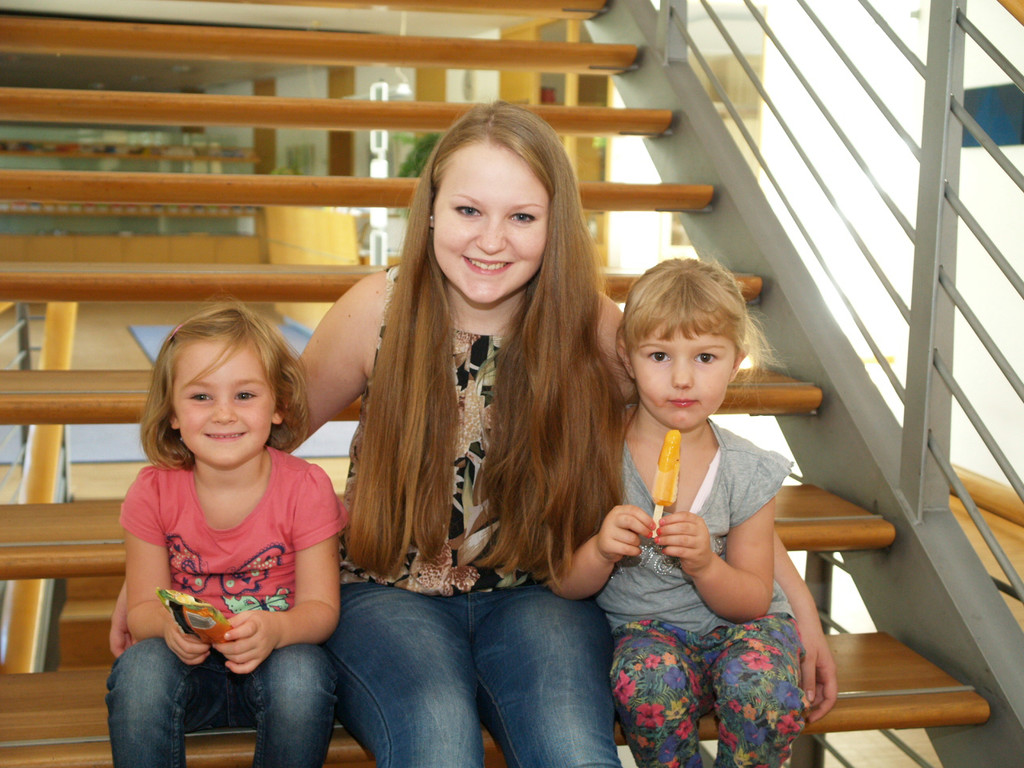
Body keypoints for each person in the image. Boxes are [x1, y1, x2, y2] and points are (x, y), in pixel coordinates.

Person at [111, 101, 835, 763]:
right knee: (437, 744)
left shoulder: (589, 323)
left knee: (573, 752)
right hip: (386, 594)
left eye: (521, 216)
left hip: (541, 593)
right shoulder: (376, 310)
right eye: (467, 210)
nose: (491, 240)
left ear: (555, 224)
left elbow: (704, 461)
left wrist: (796, 605)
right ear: (430, 211)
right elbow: (251, 439)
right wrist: (158, 575)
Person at [555, 258, 807, 767]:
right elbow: (563, 583)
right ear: (626, 358)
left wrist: (706, 565)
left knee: (763, 690)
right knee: (648, 687)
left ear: (737, 363)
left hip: (745, 630)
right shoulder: (595, 455)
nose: (683, 379)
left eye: (706, 357)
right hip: (645, 631)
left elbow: (753, 600)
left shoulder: (748, 470)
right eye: (659, 355)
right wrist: (600, 550)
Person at [105, 302, 346, 768]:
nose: (223, 414)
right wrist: (169, 627)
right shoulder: (151, 492)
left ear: (278, 406)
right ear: (172, 413)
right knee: (139, 671)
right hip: (186, 671)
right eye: (201, 397)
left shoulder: (307, 488)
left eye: (244, 395)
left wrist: (277, 629)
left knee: (303, 675)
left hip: (277, 665)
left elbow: (321, 609)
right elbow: (142, 610)